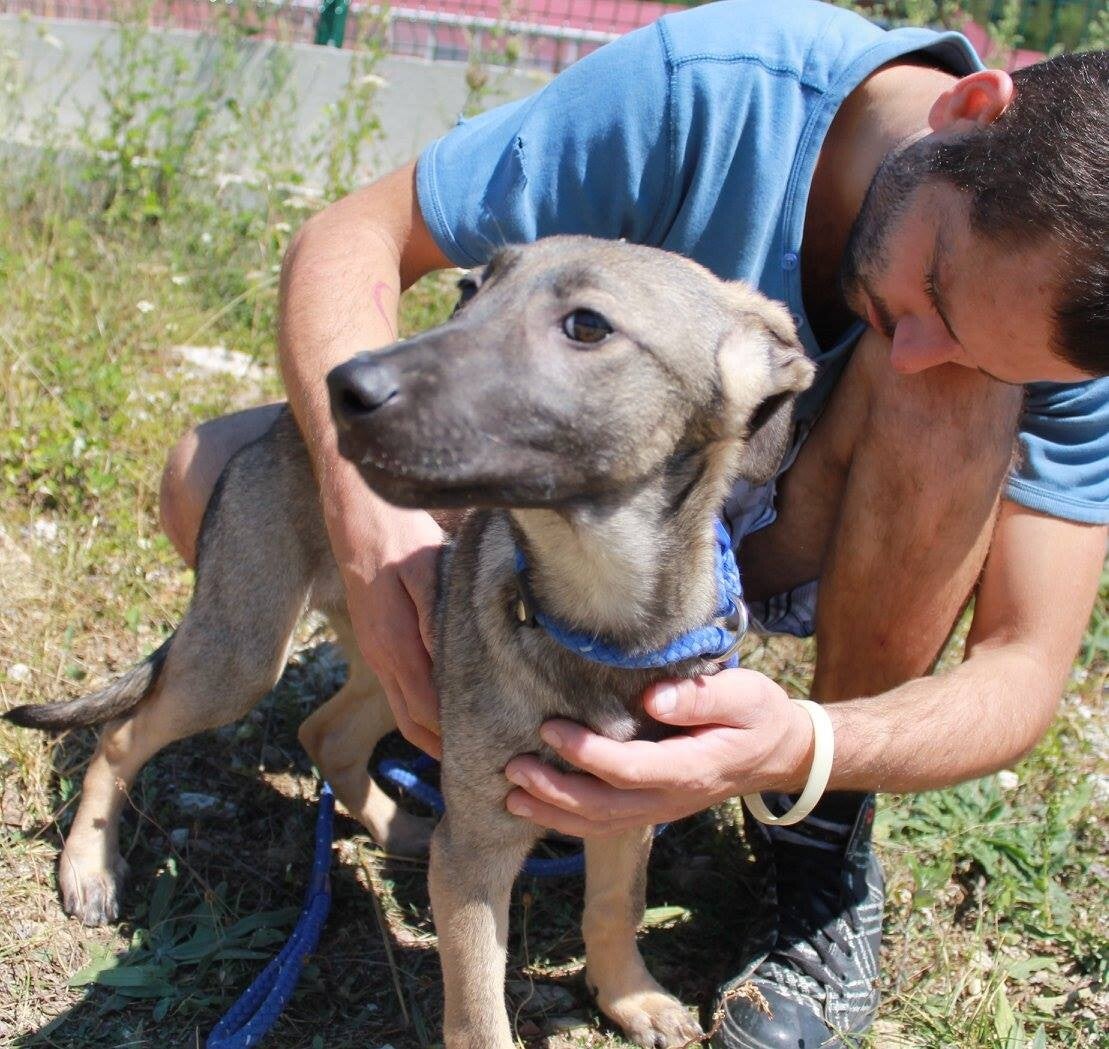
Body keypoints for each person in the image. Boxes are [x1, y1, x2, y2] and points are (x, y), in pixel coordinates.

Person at [158, 2, 1108, 1044]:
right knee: (207, 478)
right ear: (968, 109)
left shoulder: (1058, 327)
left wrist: (804, 745)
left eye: (981, 344)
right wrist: (369, 524)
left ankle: (817, 840)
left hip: (786, 540)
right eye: (932, 283)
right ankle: (457, 701)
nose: (914, 345)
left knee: (951, 393)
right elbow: (352, 234)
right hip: (562, 511)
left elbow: (1023, 667)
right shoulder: (707, 87)